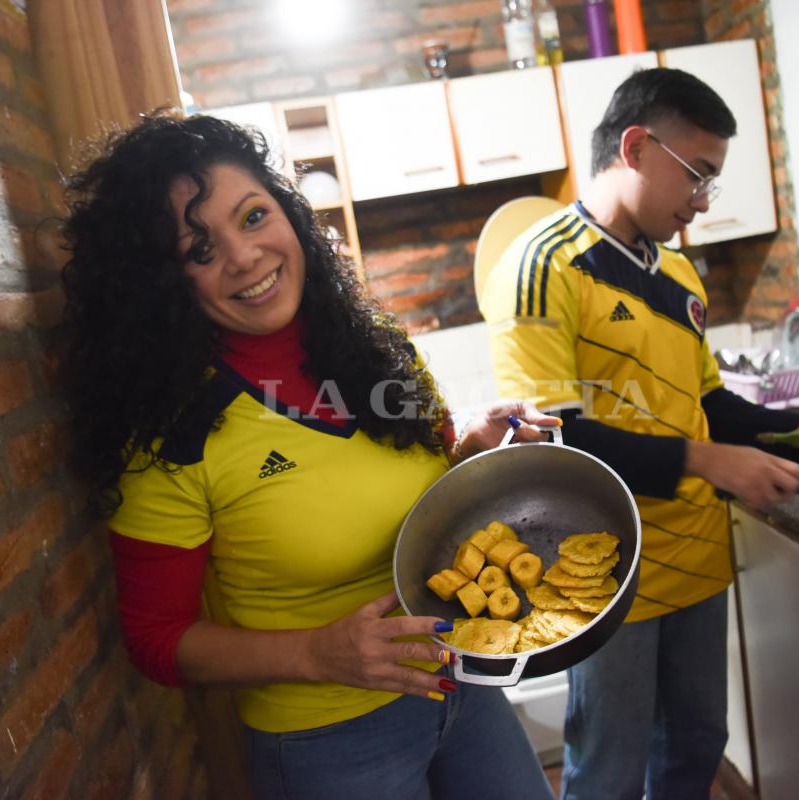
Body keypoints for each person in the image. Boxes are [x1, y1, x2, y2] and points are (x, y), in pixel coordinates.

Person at [60, 112, 559, 800]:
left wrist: (472, 447)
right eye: (200, 251)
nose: (243, 256)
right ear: (163, 284)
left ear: (289, 214)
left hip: (461, 679)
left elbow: (425, 492)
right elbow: (154, 637)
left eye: (254, 215)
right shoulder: (174, 438)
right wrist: (315, 653)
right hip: (330, 743)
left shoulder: (377, 349)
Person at [478, 68, 799, 799]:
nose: (702, 201)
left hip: (698, 559)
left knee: (696, 746)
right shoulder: (544, 266)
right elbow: (555, 448)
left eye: (713, 182)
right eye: (696, 175)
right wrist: (711, 460)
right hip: (604, 574)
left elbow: (710, 406)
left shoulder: (679, 275)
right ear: (635, 147)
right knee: (608, 768)